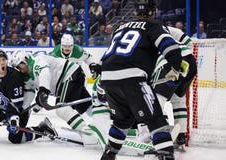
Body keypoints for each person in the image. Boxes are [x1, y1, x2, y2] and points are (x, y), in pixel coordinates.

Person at [99, 0, 184, 159]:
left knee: (122, 121)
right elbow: (170, 47)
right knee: (156, 121)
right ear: (153, 11)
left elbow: (108, 56)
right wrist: (176, 67)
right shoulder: (153, 25)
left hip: (108, 77)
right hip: (133, 78)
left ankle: (108, 155)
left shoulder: (120, 27)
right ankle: (166, 156)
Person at [10, 50, 97, 145]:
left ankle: (88, 134)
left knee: (62, 109)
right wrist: (22, 110)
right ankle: (107, 123)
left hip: (69, 75)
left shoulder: (37, 60)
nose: (19, 69)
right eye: (17, 68)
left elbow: (45, 73)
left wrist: (43, 91)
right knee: (86, 107)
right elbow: (29, 92)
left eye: (19, 66)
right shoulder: (27, 75)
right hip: (69, 78)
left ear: (25, 60)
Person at [152, 26, 197, 147]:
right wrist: (183, 65)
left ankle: (159, 130)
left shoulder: (149, 30)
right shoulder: (168, 30)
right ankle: (181, 134)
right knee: (178, 100)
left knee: (155, 98)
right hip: (189, 63)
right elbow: (189, 43)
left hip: (169, 61)